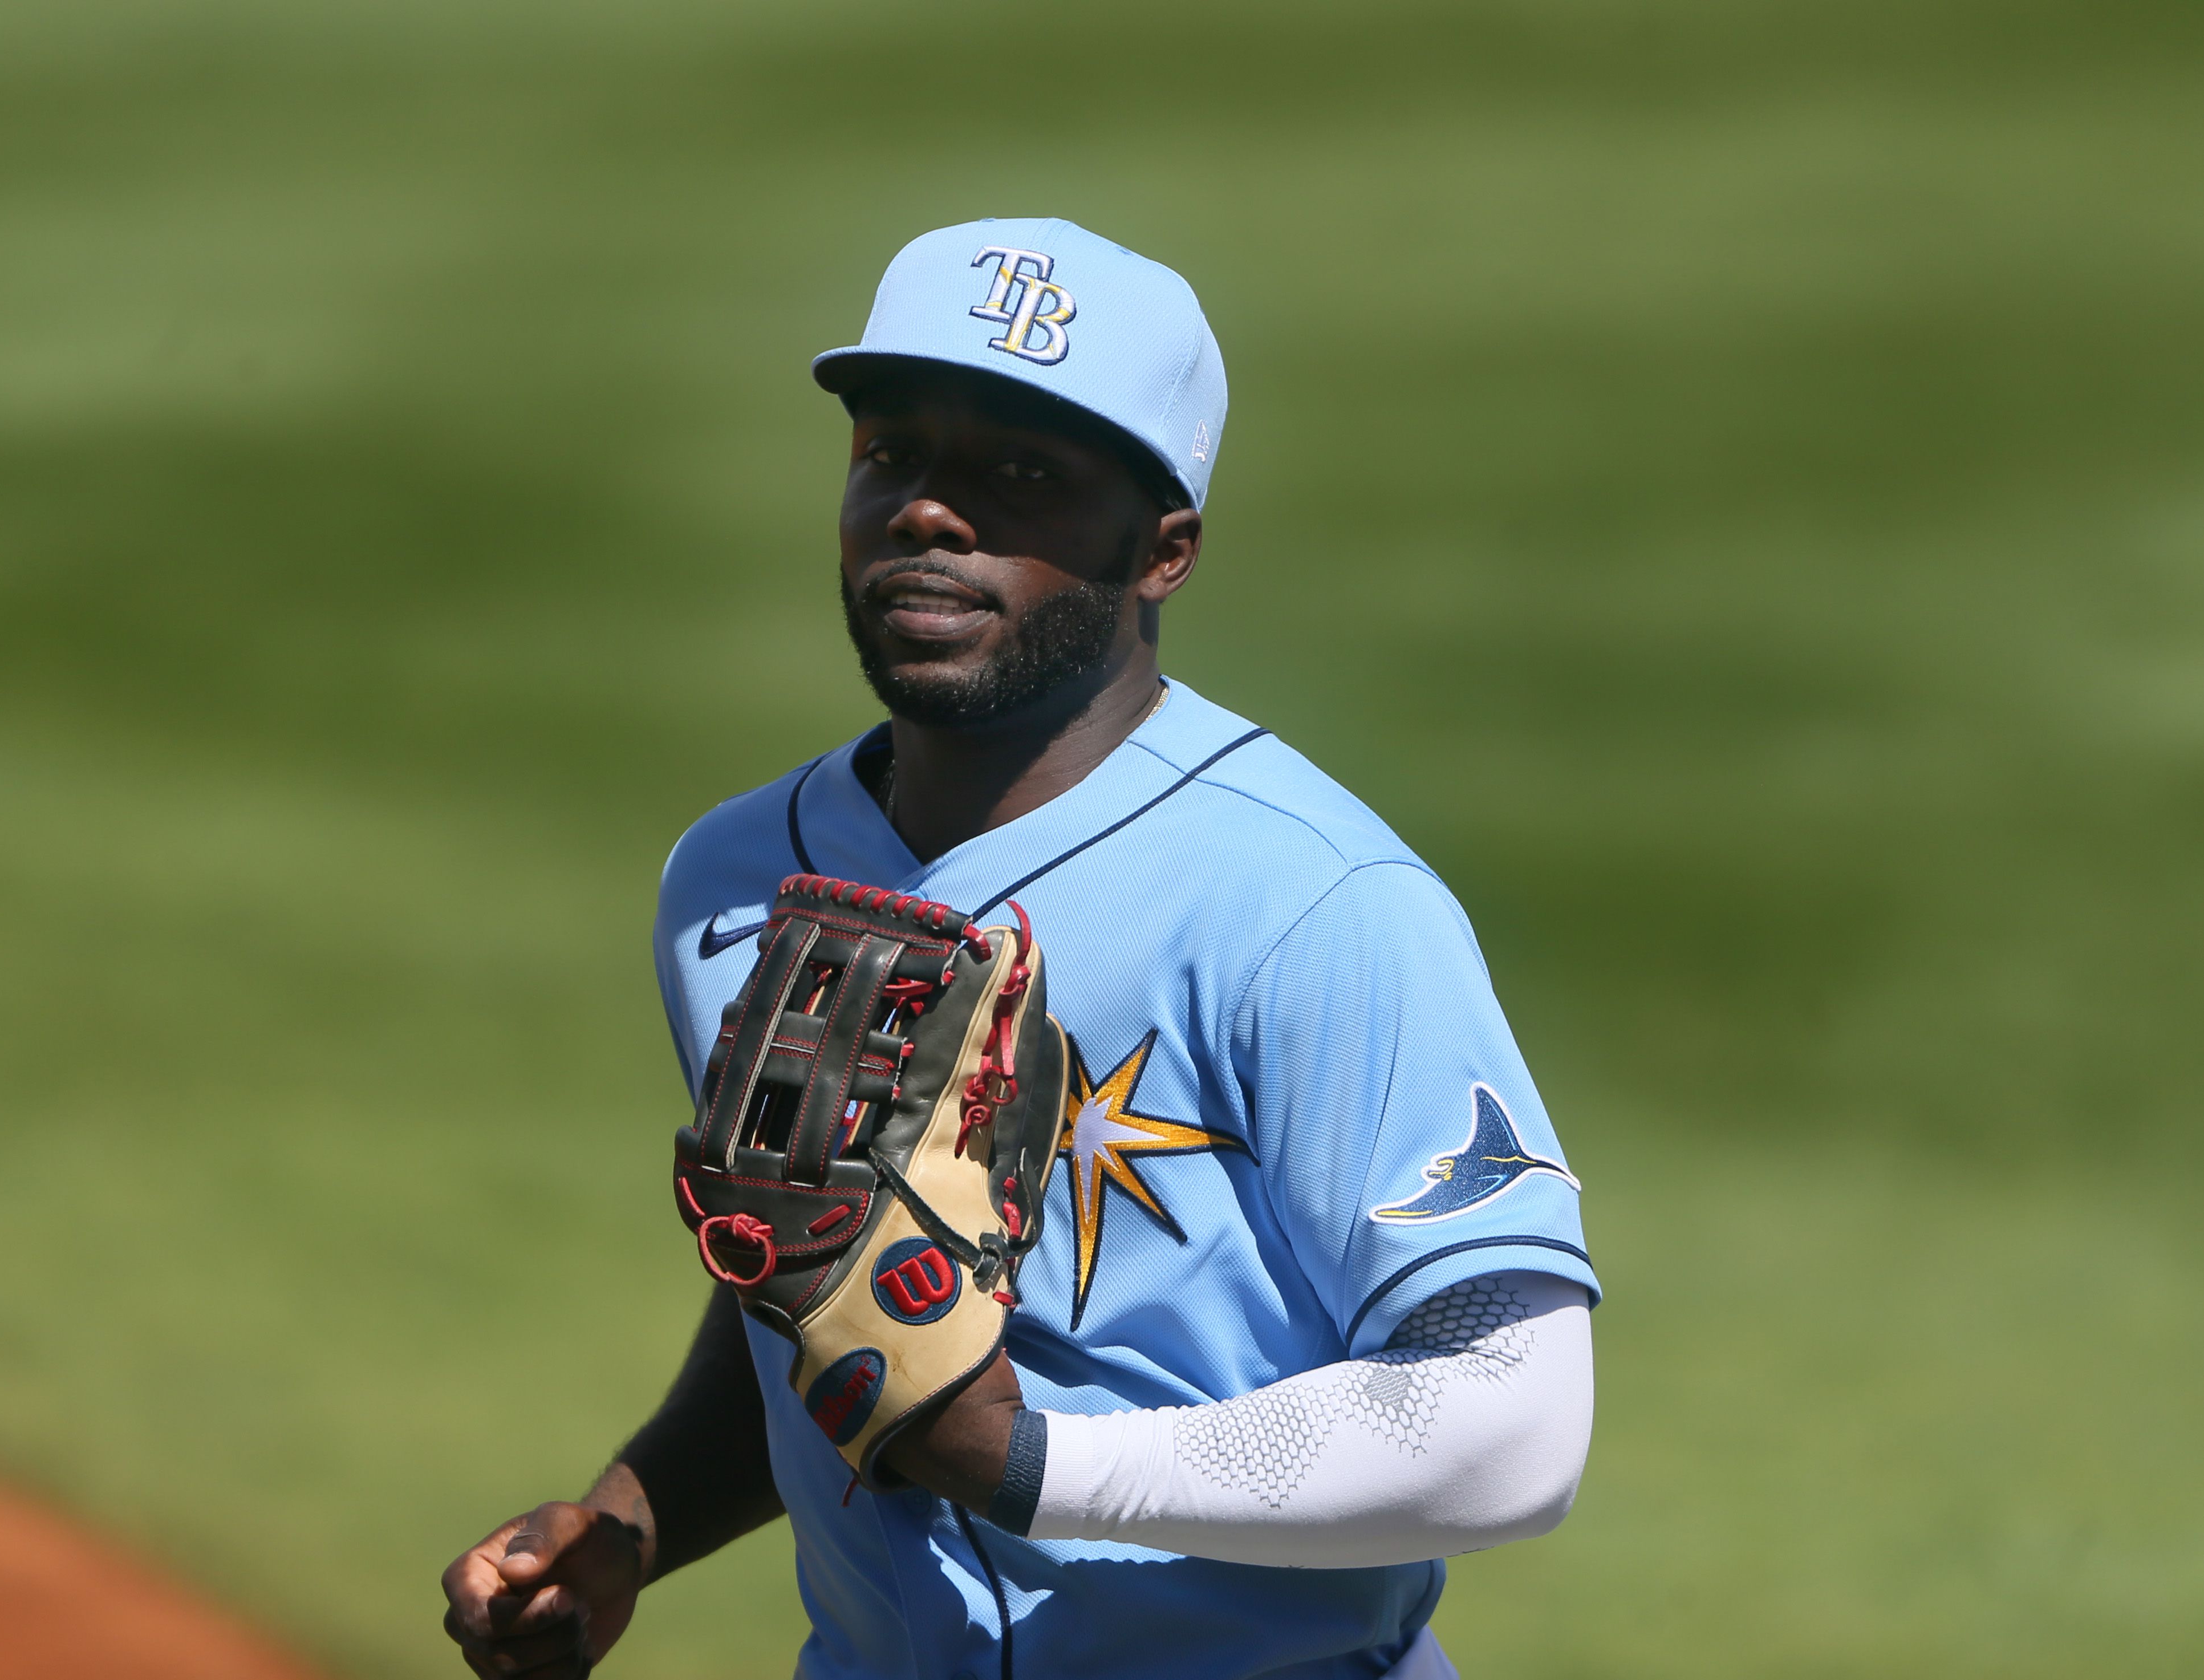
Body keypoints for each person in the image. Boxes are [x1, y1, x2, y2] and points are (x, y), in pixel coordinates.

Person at [443, 218, 1597, 1680]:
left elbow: (1513, 1421)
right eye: (893, 454)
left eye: (1021, 476)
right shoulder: (731, 882)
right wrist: (632, 1519)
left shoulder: (1312, 903)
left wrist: (1033, 1462)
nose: (930, 513)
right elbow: (827, 1302)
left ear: (1162, 549)